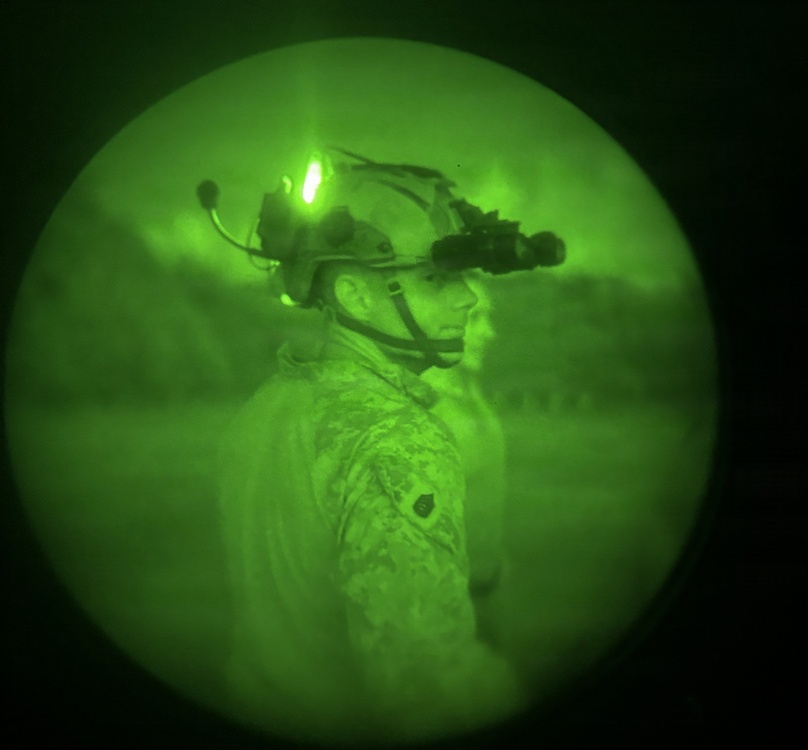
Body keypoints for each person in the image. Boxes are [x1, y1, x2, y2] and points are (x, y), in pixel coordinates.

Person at [213, 148, 563, 745]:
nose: (469, 300)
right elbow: (427, 684)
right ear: (353, 295)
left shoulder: (268, 403)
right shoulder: (395, 439)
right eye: (437, 278)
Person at [422, 277, 508, 646]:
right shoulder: (425, 413)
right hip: (443, 614)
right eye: (474, 320)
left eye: (487, 318)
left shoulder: (470, 391)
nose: (489, 333)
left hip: (483, 599)